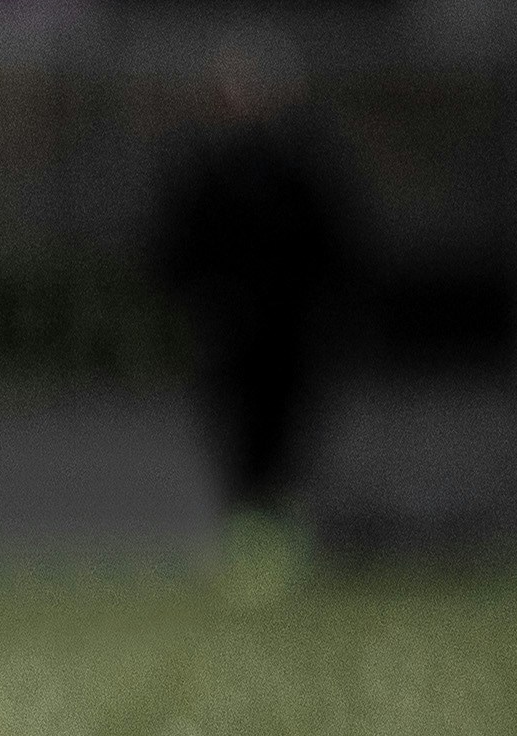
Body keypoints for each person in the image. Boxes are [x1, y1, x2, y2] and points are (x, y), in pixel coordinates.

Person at [143, 37, 366, 559]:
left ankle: (280, 533)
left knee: (286, 429)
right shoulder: (203, 172)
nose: (245, 99)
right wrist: (203, 303)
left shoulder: (301, 170)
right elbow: (170, 250)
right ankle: (248, 536)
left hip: (290, 328)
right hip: (227, 329)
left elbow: (337, 248)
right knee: (236, 430)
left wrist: (328, 310)